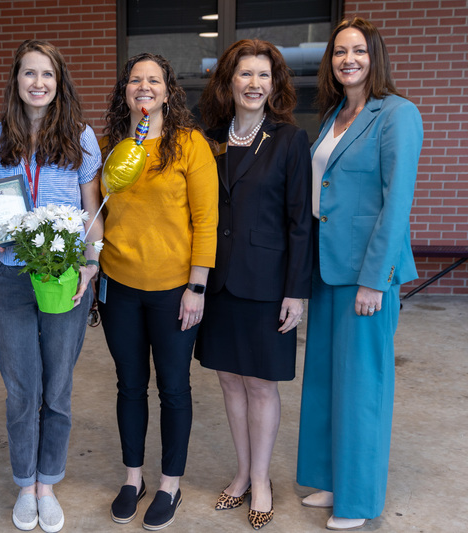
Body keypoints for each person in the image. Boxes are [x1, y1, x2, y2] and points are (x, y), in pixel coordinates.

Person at [296, 17, 423, 531]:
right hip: (327, 270)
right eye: (339, 51)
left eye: (358, 50)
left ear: (375, 56)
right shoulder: (334, 115)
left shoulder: (397, 114)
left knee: (363, 389)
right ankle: (333, 481)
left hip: (364, 276)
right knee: (327, 384)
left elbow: (397, 204)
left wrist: (376, 277)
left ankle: (358, 500)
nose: (348, 59)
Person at [0, 39, 102, 533]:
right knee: (21, 389)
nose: (38, 83)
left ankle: (48, 483)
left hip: (64, 276)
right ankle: (24, 484)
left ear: (59, 81)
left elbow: (92, 210)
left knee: (58, 387)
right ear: (16, 81)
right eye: (29, 74)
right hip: (10, 275)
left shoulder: (81, 136)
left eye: (47, 74)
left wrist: (91, 264)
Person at [195, 39, 313, 530]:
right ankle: (241, 474)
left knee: (262, 385)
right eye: (245, 74)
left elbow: (300, 223)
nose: (254, 84)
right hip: (217, 281)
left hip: (267, 283)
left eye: (264, 76)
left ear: (275, 84)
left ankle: (262, 479)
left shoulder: (289, 139)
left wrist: (297, 290)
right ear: (229, 81)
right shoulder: (209, 138)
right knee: (228, 380)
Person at [98, 53, 218, 531]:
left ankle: (170, 482)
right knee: (129, 385)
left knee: (173, 388)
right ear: (124, 90)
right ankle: (133, 479)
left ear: (169, 91)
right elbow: (97, 214)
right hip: (118, 287)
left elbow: (206, 221)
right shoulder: (109, 145)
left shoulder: (190, 145)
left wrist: (197, 286)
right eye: (135, 80)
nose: (143, 87)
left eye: (154, 80)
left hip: (174, 291)